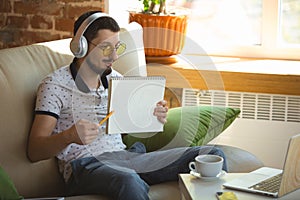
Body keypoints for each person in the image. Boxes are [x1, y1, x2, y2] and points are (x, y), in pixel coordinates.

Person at [27, 10, 227, 200]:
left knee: (210, 156)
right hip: (85, 166)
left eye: (117, 48)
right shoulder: (54, 85)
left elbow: (132, 125)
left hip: (127, 157)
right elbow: (34, 150)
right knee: (129, 180)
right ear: (82, 47)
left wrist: (153, 116)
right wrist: (69, 135)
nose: (114, 57)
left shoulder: (117, 80)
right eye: (106, 48)